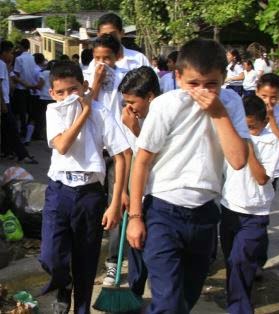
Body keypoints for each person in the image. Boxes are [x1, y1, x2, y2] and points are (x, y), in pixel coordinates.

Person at [126, 38, 250, 313]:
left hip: (205, 215)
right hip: (162, 213)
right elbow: (141, 162)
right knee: (168, 302)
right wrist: (135, 217)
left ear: (223, 79)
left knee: (186, 299)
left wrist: (218, 113)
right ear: (178, 77)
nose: (202, 92)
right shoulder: (166, 106)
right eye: (194, 84)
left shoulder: (231, 104)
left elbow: (239, 160)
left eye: (211, 84)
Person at [38, 61, 129, 313]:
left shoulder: (101, 113)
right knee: (50, 256)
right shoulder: (53, 112)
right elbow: (63, 145)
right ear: (52, 94)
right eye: (61, 92)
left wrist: (116, 200)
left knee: (86, 260)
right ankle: (63, 284)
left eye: (73, 89)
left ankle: (81, 308)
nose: (67, 96)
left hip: (90, 194)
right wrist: (83, 113)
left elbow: (122, 154)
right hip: (59, 190)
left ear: (84, 86)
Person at [220, 95, 279, 314]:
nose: (247, 131)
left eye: (252, 127)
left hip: (255, 213)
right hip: (229, 208)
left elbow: (263, 178)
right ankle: (236, 301)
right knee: (232, 262)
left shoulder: (270, 142)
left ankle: (240, 309)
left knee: (239, 261)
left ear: (264, 122)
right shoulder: (230, 137)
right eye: (243, 126)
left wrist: (248, 146)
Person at [87, 34, 131, 287]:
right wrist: (94, 82)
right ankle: (89, 260)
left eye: (107, 58)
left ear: (117, 57)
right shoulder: (87, 75)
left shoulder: (126, 78)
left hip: (120, 151)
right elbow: (84, 107)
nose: (102, 63)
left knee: (118, 203)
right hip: (94, 151)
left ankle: (114, 262)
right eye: (97, 58)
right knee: (93, 206)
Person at [118, 65, 161, 299]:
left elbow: (154, 160)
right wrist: (124, 191)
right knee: (135, 250)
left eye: (132, 102)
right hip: (139, 197)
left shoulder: (165, 118)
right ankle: (134, 297)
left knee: (156, 256)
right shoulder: (132, 118)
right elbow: (129, 157)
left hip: (160, 199)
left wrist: (136, 130)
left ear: (150, 97)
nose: (129, 108)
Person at [0, 40, 37, 164]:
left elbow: (10, 81)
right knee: (13, 128)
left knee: (6, 129)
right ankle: (22, 155)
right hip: (4, 102)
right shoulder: (0, 64)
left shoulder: (4, 65)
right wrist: (3, 104)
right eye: (10, 52)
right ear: (4, 52)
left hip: (6, 100)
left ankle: (6, 151)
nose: (12, 55)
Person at [256, 73, 279, 190]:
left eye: (273, 97)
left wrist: (271, 117)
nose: (268, 101)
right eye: (264, 96)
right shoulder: (248, 107)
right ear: (257, 92)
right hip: (251, 162)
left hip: (271, 167)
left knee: (265, 200)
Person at [12, 39, 37, 137]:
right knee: (28, 111)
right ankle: (28, 133)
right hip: (31, 88)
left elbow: (16, 73)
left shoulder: (19, 59)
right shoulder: (32, 57)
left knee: (21, 112)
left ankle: (23, 131)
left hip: (21, 88)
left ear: (21, 47)